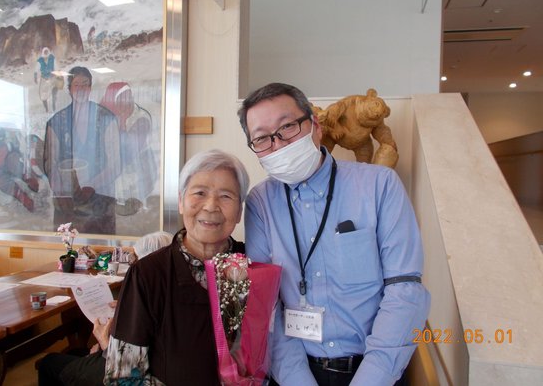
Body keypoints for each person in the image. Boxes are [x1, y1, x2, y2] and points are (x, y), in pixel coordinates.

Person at [237, 83, 431, 386]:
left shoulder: (380, 185)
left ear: (315, 126)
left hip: (377, 371)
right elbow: (265, 304)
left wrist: (371, 379)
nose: (279, 144)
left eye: (287, 127)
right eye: (262, 138)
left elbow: (404, 289)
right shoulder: (260, 202)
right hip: (296, 372)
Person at [104, 149, 249, 385]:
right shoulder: (147, 274)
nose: (211, 206)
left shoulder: (254, 266)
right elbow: (122, 378)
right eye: (200, 193)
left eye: (225, 196)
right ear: (181, 202)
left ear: (240, 211)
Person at [37, 231, 172, 386]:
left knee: (48, 362)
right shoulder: (168, 291)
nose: (134, 264)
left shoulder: (148, 291)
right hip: (127, 361)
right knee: (76, 352)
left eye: (137, 259)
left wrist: (105, 344)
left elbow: (132, 370)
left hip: (131, 372)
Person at [43, 66, 121, 234]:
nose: (81, 89)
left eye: (85, 84)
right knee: (68, 245)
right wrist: (62, 193)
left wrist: (92, 186)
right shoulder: (56, 122)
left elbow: (115, 164)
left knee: (100, 245)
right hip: (67, 201)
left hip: (100, 200)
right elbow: (51, 164)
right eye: (76, 85)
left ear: (90, 88)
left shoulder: (107, 118)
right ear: (69, 89)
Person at [100, 82, 157, 216]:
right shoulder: (112, 116)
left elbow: (129, 152)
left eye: (129, 96)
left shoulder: (141, 118)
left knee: (134, 211)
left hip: (137, 173)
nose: (127, 101)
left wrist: (122, 124)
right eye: (122, 98)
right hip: (119, 176)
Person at [34, 47, 59, 112]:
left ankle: (54, 105)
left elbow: (56, 67)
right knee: (43, 95)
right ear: (43, 52)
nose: (46, 53)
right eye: (45, 52)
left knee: (54, 92)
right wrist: (35, 77)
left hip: (52, 78)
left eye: (47, 51)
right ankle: (46, 108)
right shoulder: (40, 60)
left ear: (48, 51)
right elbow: (36, 69)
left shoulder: (52, 58)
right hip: (44, 79)